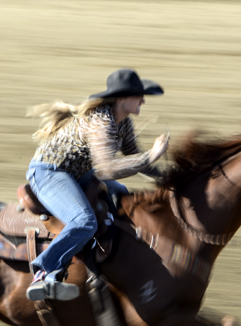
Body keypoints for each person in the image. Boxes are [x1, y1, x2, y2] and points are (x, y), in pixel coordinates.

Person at [24, 69, 169, 301]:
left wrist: (166, 178)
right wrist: (151, 155)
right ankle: (43, 270)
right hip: (50, 172)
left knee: (122, 194)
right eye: (138, 95)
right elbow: (106, 169)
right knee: (85, 221)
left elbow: (134, 157)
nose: (143, 100)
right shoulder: (102, 121)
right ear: (121, 98)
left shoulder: (123, 123)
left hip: (80, 173)